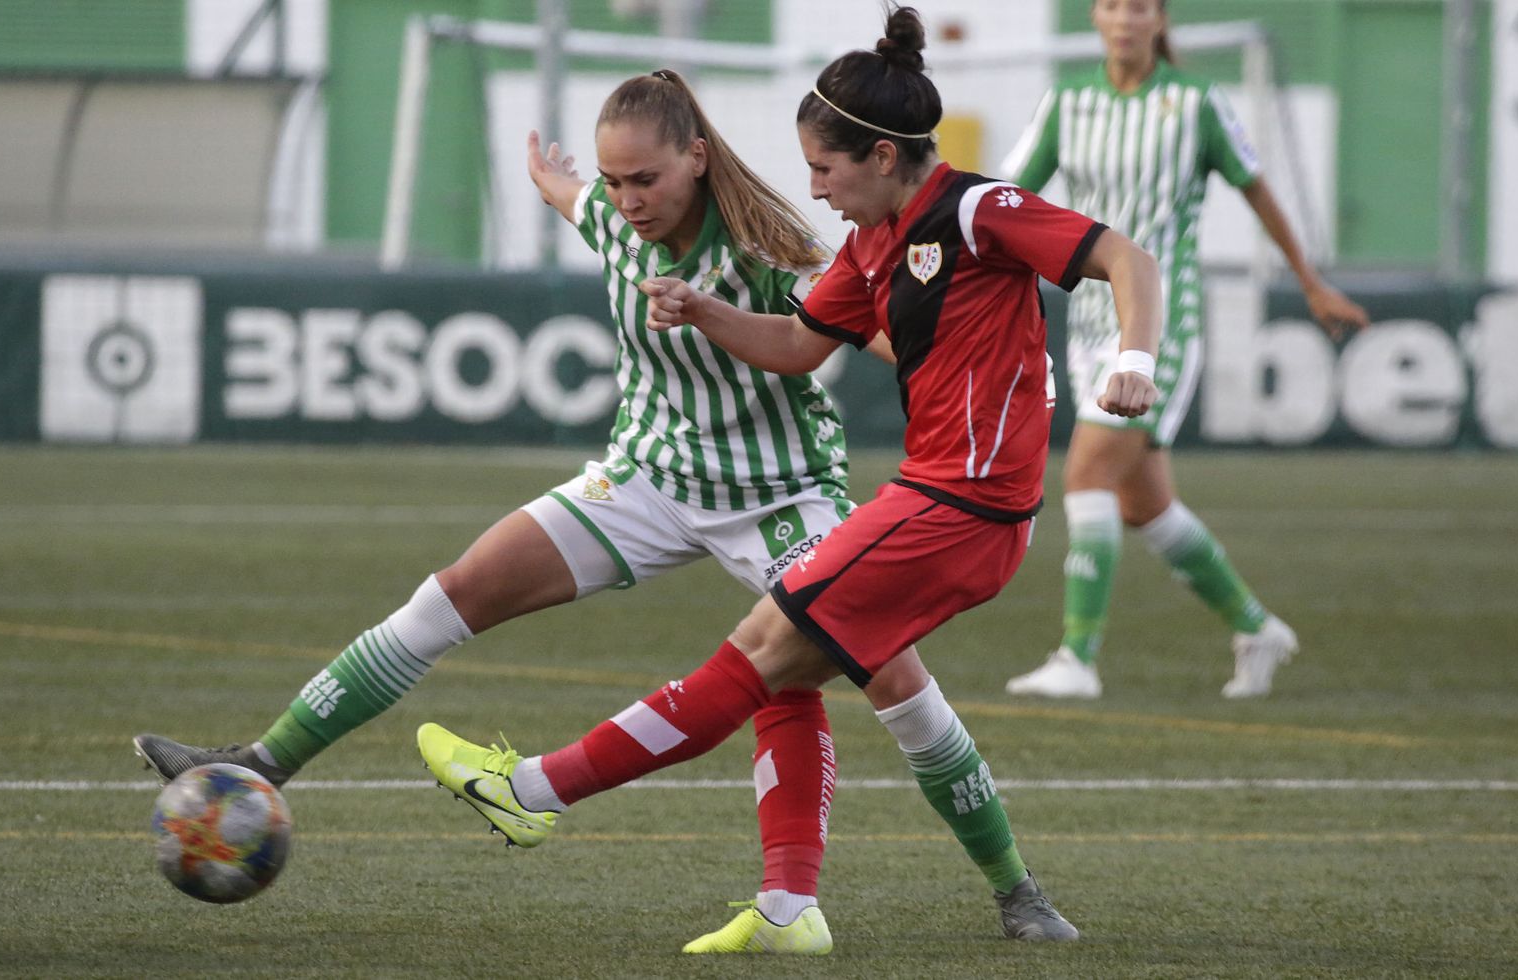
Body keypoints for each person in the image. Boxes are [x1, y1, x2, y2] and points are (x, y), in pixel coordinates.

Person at [134, 68, 930, 954]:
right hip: (647, 481)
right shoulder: (614, 218)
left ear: (698, 159)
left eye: (645, 180)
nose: (626, 200)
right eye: (613, 181)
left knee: (886, 679)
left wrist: (962, 367)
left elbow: (892, 336)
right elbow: (574, 198)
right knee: (455, 590)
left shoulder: (777, 253)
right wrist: (553, 178)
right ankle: (261, 762)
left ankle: (1006, 886)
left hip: (778, 494)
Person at [416, 6, 1163, 947]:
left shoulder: (977, 210)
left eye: (824, 169)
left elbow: (1126, 258)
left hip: (958, 509)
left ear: (883, 157)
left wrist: (1134, 360)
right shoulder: (871, 244)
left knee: (758, 654)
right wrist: (702, 308)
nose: (813, 188)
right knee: (829, 685)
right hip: (940, 504)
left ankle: (532, 790)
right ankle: (957, 903)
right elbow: (799, 346)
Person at [1000, 0, 1370, 701]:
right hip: (1087, 323)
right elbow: (1007, 199)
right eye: (1112, 6)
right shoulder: (1066, 104)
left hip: (1161, 323)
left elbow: (1256, 188)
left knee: (1086, 474)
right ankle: (1257, 627)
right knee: (1144, 505)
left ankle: (1078, 656)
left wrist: (1310, 282)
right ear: (1095, 17)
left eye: (1139, 7)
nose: (1125, 20)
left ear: (1161, 20)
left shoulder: (1196, 102)